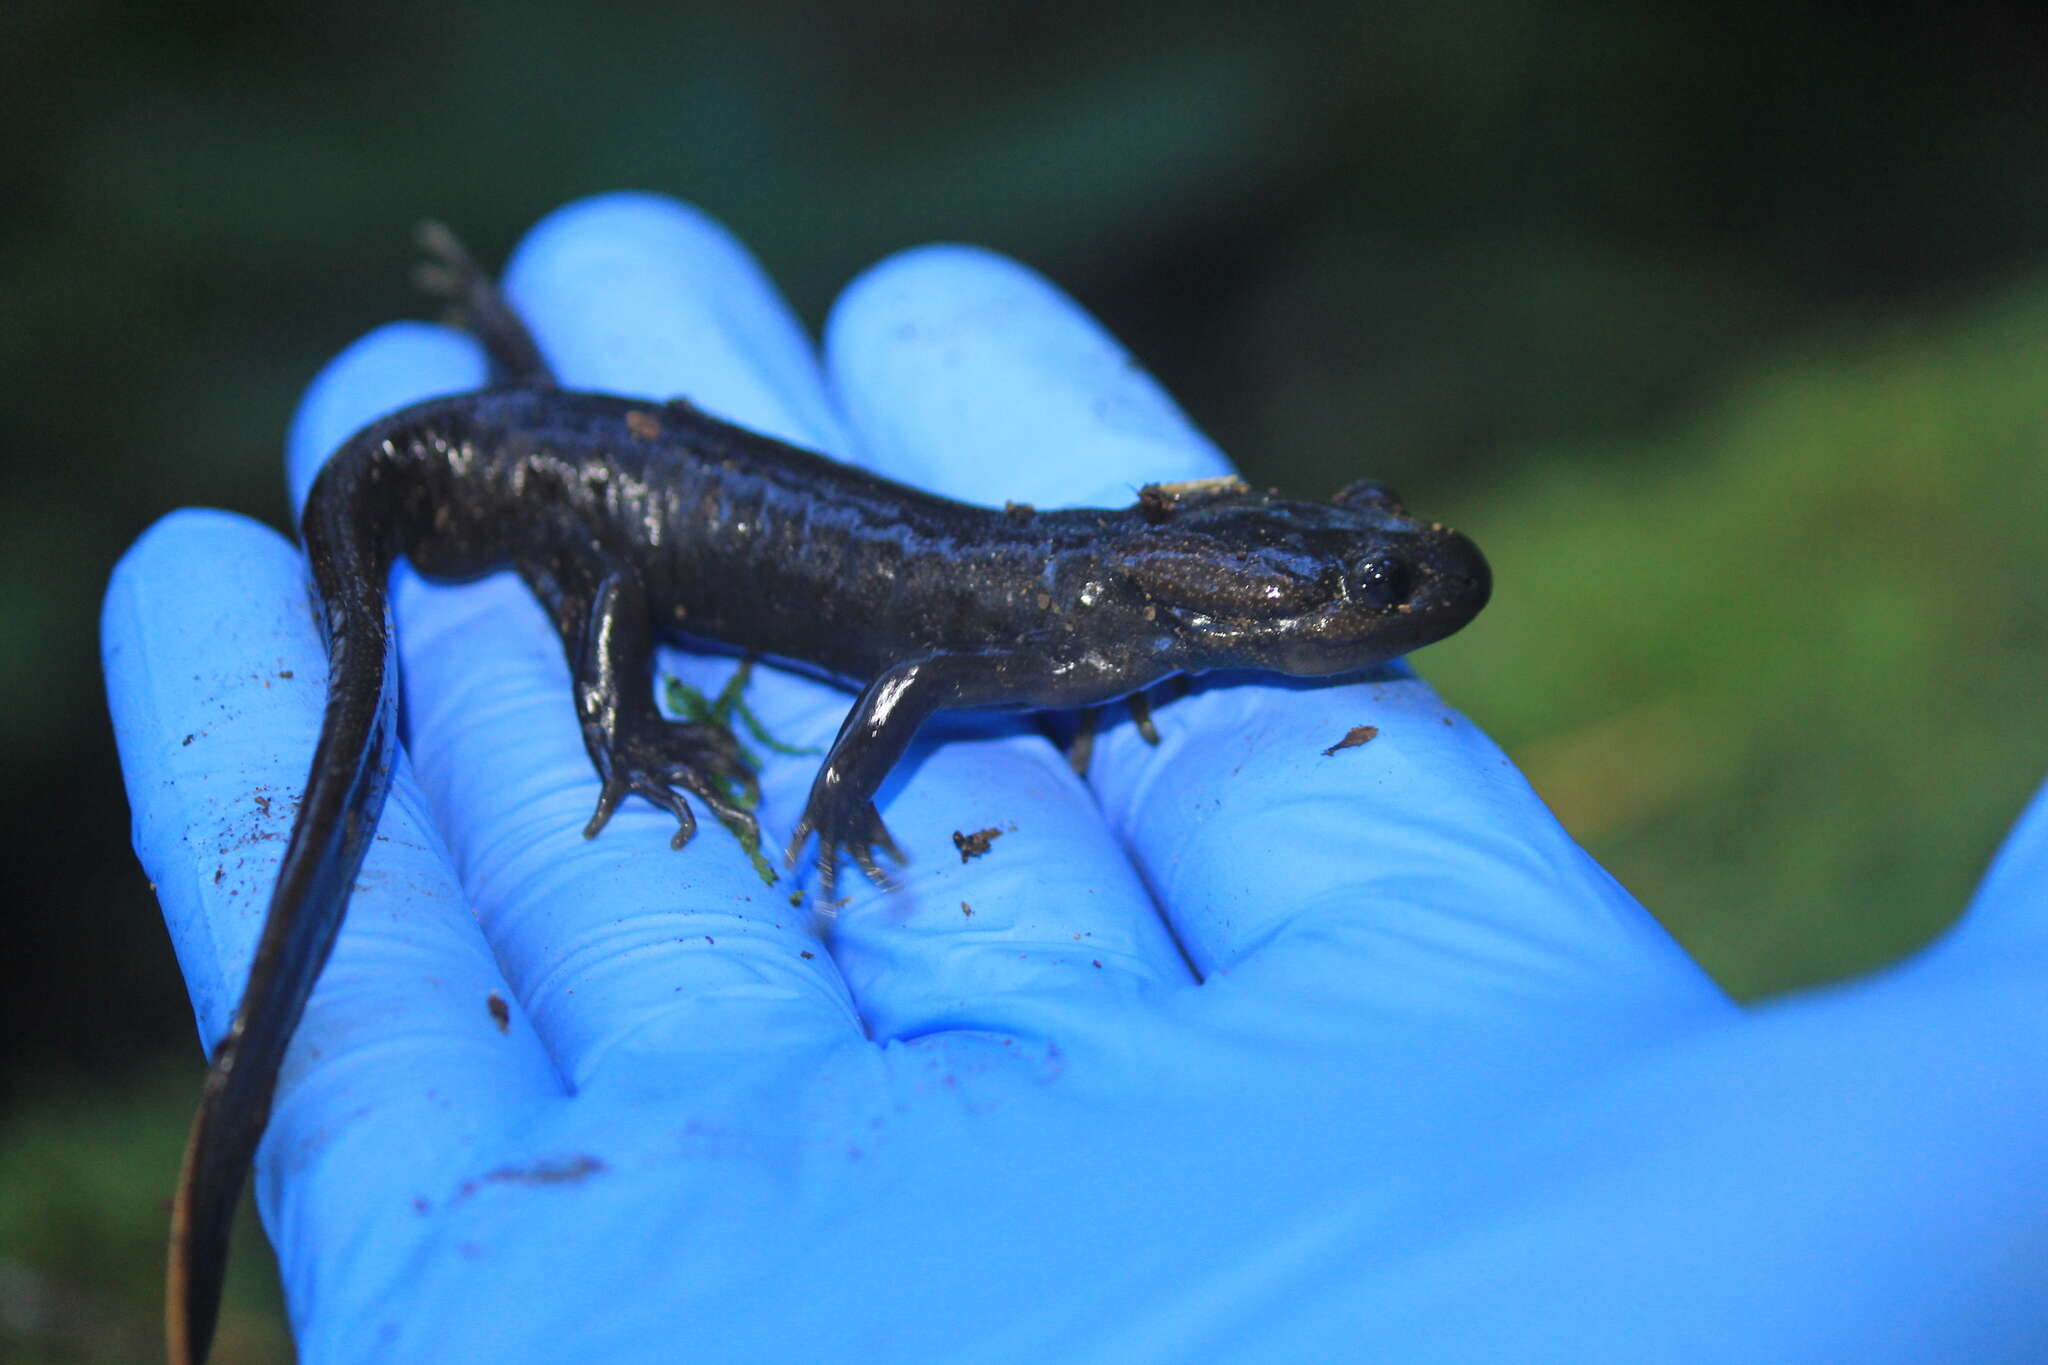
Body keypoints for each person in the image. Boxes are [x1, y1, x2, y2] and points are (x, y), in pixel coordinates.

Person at [102, 192, 2048, 1362]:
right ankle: (590, 666)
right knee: (567, 581)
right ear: (1261, 591)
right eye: (1355, 572)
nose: (1379, 596)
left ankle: (522, 399)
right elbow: (913, 674)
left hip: (558, 452)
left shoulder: (1125, 596)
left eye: (1361, 574)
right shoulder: (1076, 613)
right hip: (537, 489)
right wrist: (796, 771)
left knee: (623, 508)